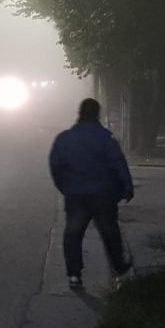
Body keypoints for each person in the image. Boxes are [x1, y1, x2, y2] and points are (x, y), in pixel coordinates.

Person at [49, 98, 134, 289]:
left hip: (76, 195)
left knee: (73, 233)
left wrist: (65, 187)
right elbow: (118, 163)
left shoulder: (65, 138)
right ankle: (119, 269)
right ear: (97, 114)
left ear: (79, 113)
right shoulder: (105, 137)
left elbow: (56, 166)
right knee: (110, 232)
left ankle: (74, 275)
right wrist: (127, 188)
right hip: (103, 195)